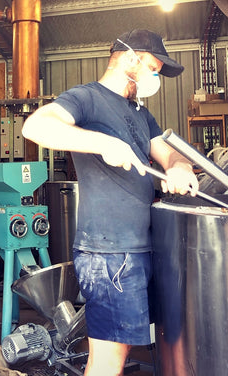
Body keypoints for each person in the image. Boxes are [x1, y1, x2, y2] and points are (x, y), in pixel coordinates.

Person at [21, 29, 199, 376]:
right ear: (131, 58)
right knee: (108, 359)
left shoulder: (138, 112)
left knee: (122, 348)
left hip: (137, 249)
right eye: (153, 68)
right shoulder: (86, 98)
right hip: (108, 254)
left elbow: (168, 151)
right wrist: (103, 144)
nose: (155, 78)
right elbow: (36, 126)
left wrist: (178, 167)